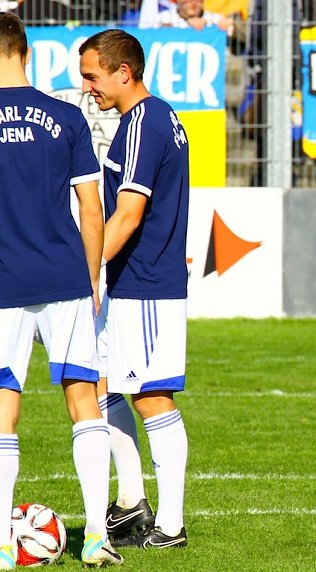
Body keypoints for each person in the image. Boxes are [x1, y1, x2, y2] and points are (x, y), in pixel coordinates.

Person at [0, 13, 122, 568]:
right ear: (26, 52)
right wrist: (92, 276)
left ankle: (4, 544)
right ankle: (96, 538)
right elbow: (92, 208)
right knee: (83, 401)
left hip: (4, 282)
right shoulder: (66, 116)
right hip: (65, 276)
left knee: (4, 410)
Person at [78, 28, 191, 549]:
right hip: (130, 282)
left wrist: (87, 269)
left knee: (151, 397)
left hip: (145, 283)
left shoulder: (146, 122)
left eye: (92, 76)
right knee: (101, 384)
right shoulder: (141, 120)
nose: (87, 88)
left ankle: (170, 526)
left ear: (124, 72)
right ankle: (131, 504)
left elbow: (128, 214)